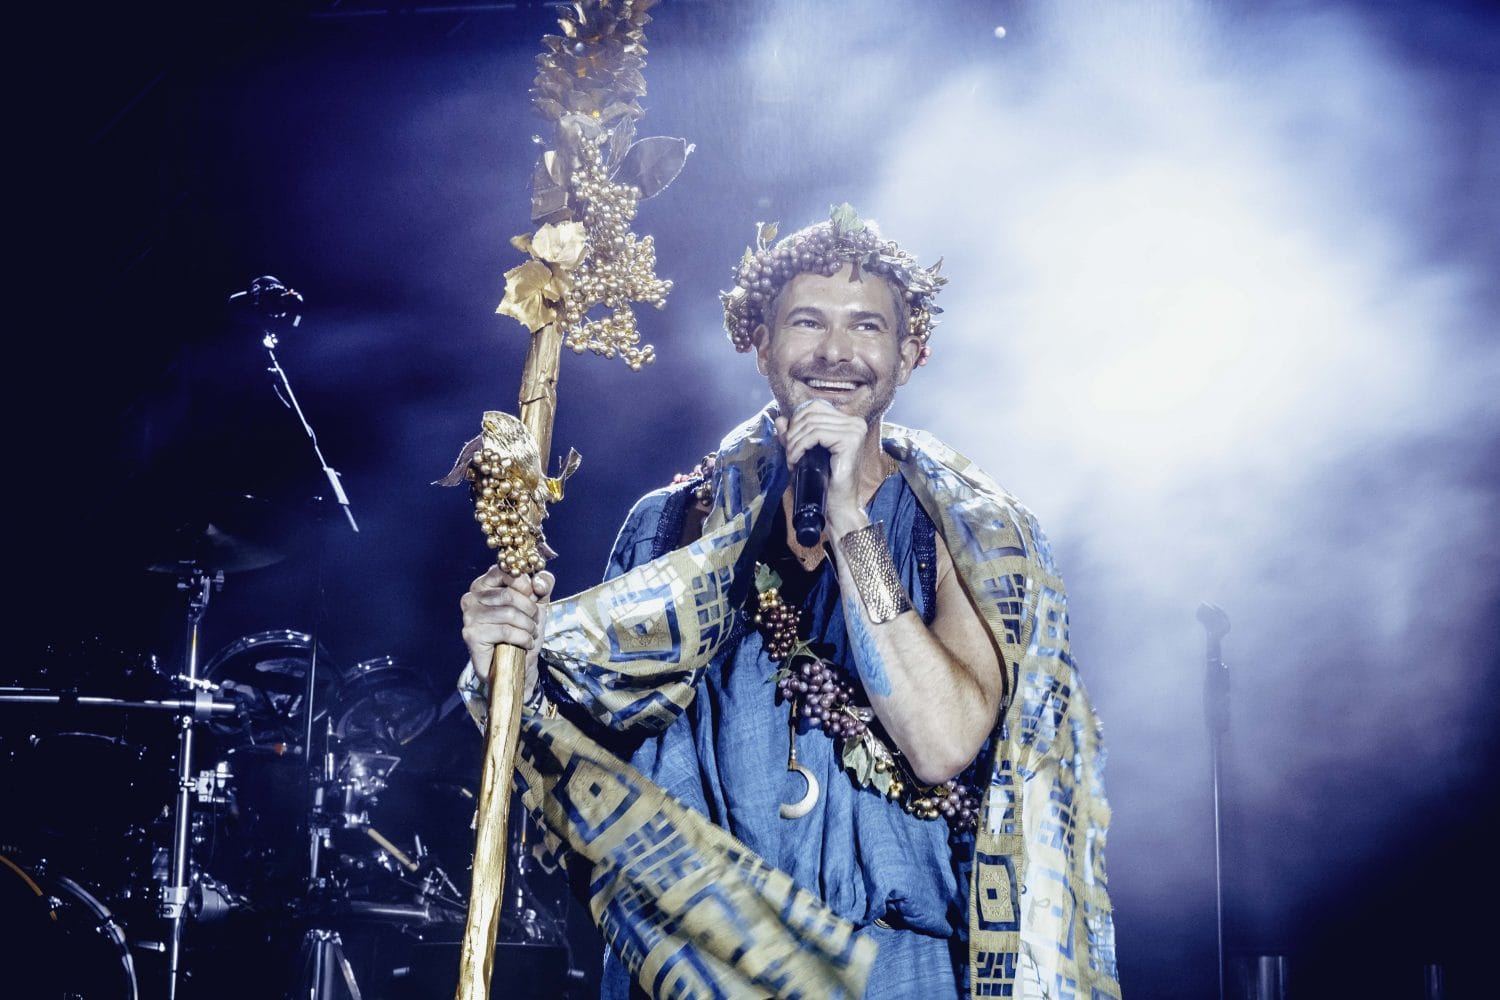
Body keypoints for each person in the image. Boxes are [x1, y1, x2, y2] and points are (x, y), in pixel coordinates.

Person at [458, 205, 1120, 999]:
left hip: (898, 974)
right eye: (807, 321)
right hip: (701, 964)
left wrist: (847, 518)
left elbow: (941, 741)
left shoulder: (971, 537)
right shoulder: (671, 527)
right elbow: (592, 762)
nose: (836, 352)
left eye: (867, 326)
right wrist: (513, 664)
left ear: (911, 352)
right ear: (759, 341)